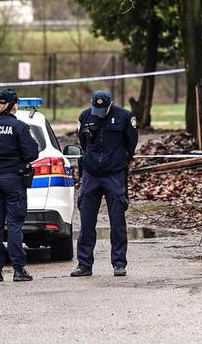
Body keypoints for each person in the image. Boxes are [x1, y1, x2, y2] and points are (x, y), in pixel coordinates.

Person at [71, 90, 138, 278]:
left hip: (114, 174)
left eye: (102, 109)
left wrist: (120, 161)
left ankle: (119, 263)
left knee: (117, 221)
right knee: (86, 222)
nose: (98, 112)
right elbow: (83, 142)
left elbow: (131, 144)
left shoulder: (125, 116)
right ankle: (84, 264)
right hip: (91, 175)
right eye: (96, 108)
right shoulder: (86, 116)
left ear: (110, 105)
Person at [0, 88, 38, 283]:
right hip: (13, 180)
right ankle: (19, 270)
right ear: (15, 105)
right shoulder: (19, 127)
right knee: (14, 225)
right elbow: (32, 154)